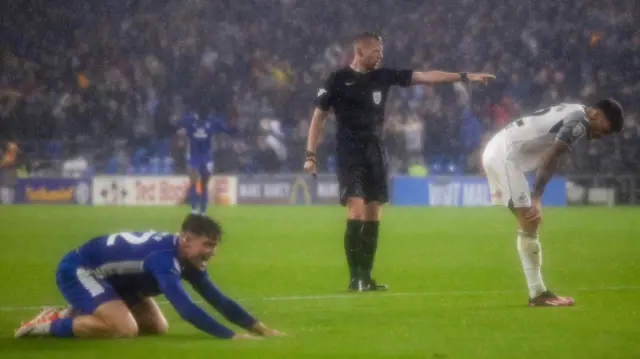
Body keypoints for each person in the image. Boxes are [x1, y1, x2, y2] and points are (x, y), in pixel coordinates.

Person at [303, 32, 495, 292]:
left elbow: (427, 76)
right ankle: (355, 277)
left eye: (381, 52)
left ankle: (366, 278)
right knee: (356, 211)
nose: (380, 56)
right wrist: (310, 156)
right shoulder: (338, 80)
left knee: (373, 214)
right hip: (350, 154)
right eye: (375, 53)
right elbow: (318, 118)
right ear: (359, 52)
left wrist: (463, 77)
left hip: (376, 153)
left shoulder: (384, 76)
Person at [14, 214, 285, 339]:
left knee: (158, 327)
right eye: (208, 245)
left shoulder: (185, 256)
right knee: (124, 330)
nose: (211, 253)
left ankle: (70, 314)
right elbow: (187, 309)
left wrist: (261, 330)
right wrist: (230, 337)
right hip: (79, 270)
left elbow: (217, 299)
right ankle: (47, 325)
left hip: (118, 281)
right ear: (187, 240)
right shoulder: (163, 259)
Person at [481, 100, 623, 306]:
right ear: (596, 115)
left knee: (529, 223)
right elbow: (554, 153)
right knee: (530, 221)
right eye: (605, 129)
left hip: (501, 151)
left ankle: (538, 292)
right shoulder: (580, 121)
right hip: (504, 156)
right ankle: (537, 294)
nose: (602, 136)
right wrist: (536, 196)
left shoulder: (576, 110)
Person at [176, 109, 235, 215]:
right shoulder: (189, 121)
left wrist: (231, 128)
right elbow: (178, 127)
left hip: (206, 157)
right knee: (195, 183)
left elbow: (225, 130)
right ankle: (194, 209)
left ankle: (202, 210)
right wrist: (180, 132)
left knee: (203, 184)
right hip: (194, 156)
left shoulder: (212, 122)